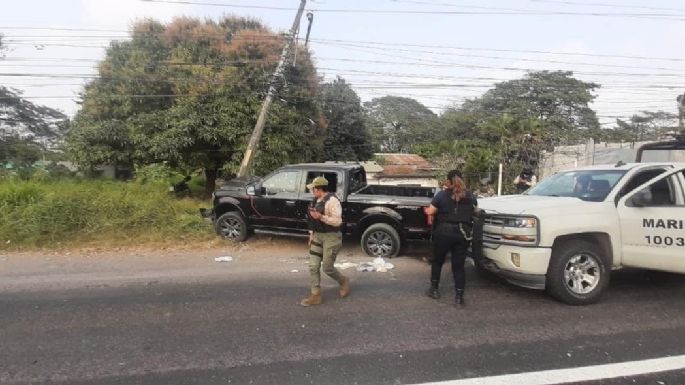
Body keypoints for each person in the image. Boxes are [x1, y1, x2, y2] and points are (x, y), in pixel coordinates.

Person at [425, 171, 478, 307]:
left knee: (438, 262)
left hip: (444, 232)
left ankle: (434, 290)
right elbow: (475, 211)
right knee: (459, 267)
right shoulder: (471, 196)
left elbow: (430, 212)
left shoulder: (442, 195)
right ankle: (459, 298)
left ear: (448, 181)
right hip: (462, 234)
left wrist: (426, 210)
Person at [300, 176, 350, 307]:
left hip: (332, 237)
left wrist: (321, 217)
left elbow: (338, 221)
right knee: (313, 266)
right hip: (318, 236)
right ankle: (315, 295)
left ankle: (343, 280)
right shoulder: (315, 200)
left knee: (327, 268)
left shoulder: (333, 201)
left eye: (313, 189)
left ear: (318, 189)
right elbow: (311, 219)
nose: (312, 191)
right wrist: (311, 234)